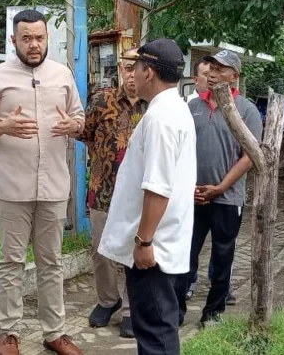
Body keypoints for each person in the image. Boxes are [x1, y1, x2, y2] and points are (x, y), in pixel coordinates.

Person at [0, 9, 85, 355]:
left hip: (53, 185)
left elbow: (79, 118)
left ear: (47, 38)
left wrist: (74, 127)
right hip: (12, 187)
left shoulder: (63, 75)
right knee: (11, 262)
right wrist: (3, 127)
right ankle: (8, 332)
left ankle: (55, 332)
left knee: (51, 261)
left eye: (39, 37)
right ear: (13, 40)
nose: (34, 44)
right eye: (26, 38)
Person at [98, 38, 195, 355]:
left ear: (149, 72)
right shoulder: (174, 109)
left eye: (134, 67)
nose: (131, 75)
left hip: (155, 249)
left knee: (155, 333)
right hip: (164, 241)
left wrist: (144, 242)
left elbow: (157, 186)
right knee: (157, 327)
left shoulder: (160, 118)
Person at [176, 50, 261, 328]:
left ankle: (213, 312)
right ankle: (176, 310)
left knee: (223, 256)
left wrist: (221, 187)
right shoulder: (193, 107)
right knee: (185, 255)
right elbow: (181, 149)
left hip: (227, 197)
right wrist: (188, 187)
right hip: (193, 196)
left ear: (234, 76)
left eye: (220, 68)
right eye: (210, 67)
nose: (212, 72)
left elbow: (250, 156)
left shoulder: (246, 110)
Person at [76, 48, 147, 338]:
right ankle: (108, 299)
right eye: (128, 68)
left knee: (135, 251)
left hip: (140, 195)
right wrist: (104, 167)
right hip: (103, 191)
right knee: (101, 250)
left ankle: (132, 309)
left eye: (138, 68)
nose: (133, 75)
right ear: (120, 68)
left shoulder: (153, 105)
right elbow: (87, 138)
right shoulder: (101, 101)